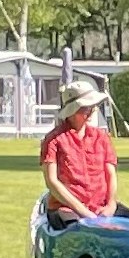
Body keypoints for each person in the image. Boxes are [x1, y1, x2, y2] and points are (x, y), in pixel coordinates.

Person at [39, 82, 116, 224]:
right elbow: (52, 182)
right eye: (86, 108)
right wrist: (83, 212)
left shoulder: (102, 137)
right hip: (65, 209)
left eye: (93, 106)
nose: (92, 111)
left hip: (101, 208)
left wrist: (111, 204)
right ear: (72, 110)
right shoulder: (53, 140)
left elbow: (110, 173)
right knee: (80, 230)